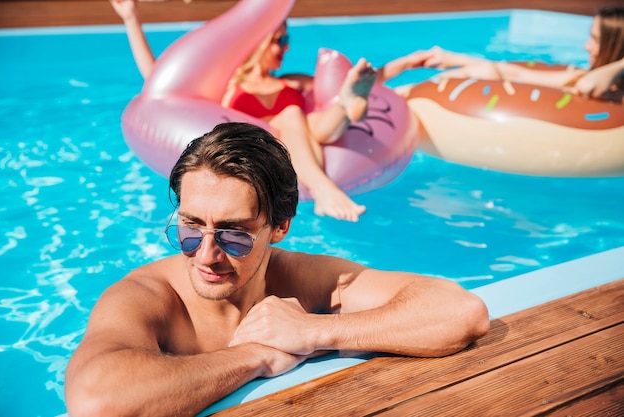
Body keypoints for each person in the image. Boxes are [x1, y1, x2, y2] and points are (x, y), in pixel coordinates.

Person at [64, 122, 490, 417]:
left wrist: (315, 332)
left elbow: (461, 312)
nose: (206, 254)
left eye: (234, 235)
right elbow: (98, 403)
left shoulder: (303, 279)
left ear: (280, 226)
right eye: (191, 228)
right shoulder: (147, 296)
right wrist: (252, 357)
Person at [110, 0, 418, 223]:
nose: (286, 48)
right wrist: (130, 19)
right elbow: (158, 82)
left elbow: (372, 79)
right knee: (290, 117)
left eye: (288, 40)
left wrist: (404, 64)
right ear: (257, 44)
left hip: (313, 131)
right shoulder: (230, 86)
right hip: (267, 140)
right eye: (279, 40)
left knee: (303, 117)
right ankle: (344, 119)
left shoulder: (291, 82)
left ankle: (348, 106)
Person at [396, 6, 624, 103]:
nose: (586, 46)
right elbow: (517, 74)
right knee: (485, 70)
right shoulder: (580, 75)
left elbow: (588, 87)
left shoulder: (612, 93)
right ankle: (398, 95)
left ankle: (394, 96)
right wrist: (455, 59)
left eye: (595, 40)